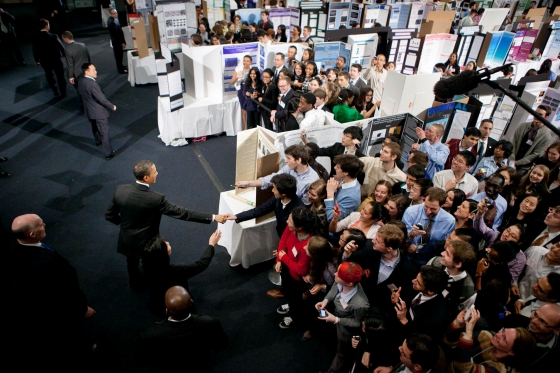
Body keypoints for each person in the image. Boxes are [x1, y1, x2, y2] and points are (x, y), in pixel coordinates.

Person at [105, 160, 224, 288]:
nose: (157, 173)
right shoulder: (156, 199)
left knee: (131, 264)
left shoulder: (120, 190)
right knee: (153, 268)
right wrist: (213, 217)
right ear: (146, 177)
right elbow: (183, 213)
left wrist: (124, 226)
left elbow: (109, 215)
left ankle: (134, 285)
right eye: (154, 171)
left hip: (128, 240)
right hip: (149, 243)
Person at [8, 214, 95, 371]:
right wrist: (82, 309)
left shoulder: (14, 251)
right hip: (59, 314)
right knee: (70, 335)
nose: (45, 225)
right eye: (41, 225)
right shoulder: (45, 264)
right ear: (31, 234)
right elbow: (65, 293)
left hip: (35, 312)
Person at [138, 286, 228, 373]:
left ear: (166, 310)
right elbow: (221, 345)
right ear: (191, 303)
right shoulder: (210, 323)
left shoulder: (151, 335)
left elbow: (142, 361)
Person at [142, 230, 221, 316]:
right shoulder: (178, 270)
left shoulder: (144, 270)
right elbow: (201, 264)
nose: (168, 242)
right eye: (166, 245)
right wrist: (211, 245)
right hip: (180, 304)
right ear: (164, 255)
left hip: (158, 305)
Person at [316, 262, 369, 373]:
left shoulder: (360, 304)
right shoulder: (342, 281)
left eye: (338, 274)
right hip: (337, 320)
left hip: (346, 331)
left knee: (342, 354)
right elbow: (334, 288)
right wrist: (325, 300)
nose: (335, 274)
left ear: (349, 283)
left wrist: (336, 320)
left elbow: (358, 322)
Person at [445, 308, 535, 373]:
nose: (498, 334)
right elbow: (451, 343)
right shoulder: (487, 335)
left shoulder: (501, 370)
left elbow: (464, 369)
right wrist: (457, 323)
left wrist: (469, 333)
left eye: (504, 338)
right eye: (503, 330)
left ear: (511, 352)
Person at [273, 208, 316, 328]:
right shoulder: (291, 229)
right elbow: (283, 242)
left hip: (297, 280)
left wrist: (283, 257)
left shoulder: (307, 246)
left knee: (297, 300)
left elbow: (301, 270)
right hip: (287, 270)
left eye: (290, 220)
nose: (287, 221)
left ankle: (294, 317)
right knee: (290, 294)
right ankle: (291, 305)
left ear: (300, 227)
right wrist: (279, 260)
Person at [391, 265, 449, 340]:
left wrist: (404, 320)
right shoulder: (415, 287)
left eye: (418, 282)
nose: (413, 281)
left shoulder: (437, 316)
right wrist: (397, 301)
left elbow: (420, 338)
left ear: (430, 291)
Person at [428, 239, 477, 317]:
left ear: (458, 264)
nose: (442, 253)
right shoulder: (435, 262)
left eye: (447, 254)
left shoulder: (468, 291)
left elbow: (461, 316)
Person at [403, 187, 456, 253]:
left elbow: (445, 244)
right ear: (424, 199)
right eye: (426, 206)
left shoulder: (449, 221)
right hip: (408, 253)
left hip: (432, 255)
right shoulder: (411, 212)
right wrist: (412, 235)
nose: (428, 212)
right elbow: (401, 238)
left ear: (442, 205)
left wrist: (420, 250)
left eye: (433, 209)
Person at [511, 105, 555, 175]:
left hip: (524, 169)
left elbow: (535, 154)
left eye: (540, 115)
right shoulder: (522, 126)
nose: (536, 116)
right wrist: (511, 160)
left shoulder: (546, 136)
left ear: (546, 117)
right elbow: (513, 143)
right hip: (510, 161)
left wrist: (516, 163)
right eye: (535, 113)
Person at [32, 19, 66, 98]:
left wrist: (37, 60)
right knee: (60, 76)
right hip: (56, 59)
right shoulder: (53, 36)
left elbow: (34, 50)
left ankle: (55, 91)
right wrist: (64, 55)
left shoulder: (35, 37)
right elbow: (61, 47)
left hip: (45, 61)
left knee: (49, 76)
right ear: (46, 26)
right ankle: (63, 92)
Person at [374, 334, 441, 373]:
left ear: (417, 367)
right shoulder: (414, 361)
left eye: (403, 352)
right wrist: (392, 369)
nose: (399, 348)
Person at [325, 154, 364, 221]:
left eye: (338, 167)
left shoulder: (351, 198)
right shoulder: (345, 181)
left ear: (346, 173)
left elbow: (331, 218)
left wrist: (330, 194)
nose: (334, 168)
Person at [61, 31, 90, 102]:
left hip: (77, 73)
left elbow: (70, 64)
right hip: (87, 70)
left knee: (80, 90)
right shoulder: (83, 45)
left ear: (66, 38)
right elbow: (88, 58)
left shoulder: (67, 50)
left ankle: (84, 104)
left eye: (63, 39)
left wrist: (71, 76)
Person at [107, 8, 127, 74]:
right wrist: (122, 42)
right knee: (118, 56)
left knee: (120, 55)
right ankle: (120, 70)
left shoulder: (114, 20)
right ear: (110, 14)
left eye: (116, 13)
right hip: (117, 42)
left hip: (117, 41)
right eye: (114, 13)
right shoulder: (111, 22)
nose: (116, 15)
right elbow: (116, 34)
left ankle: (121, 65)